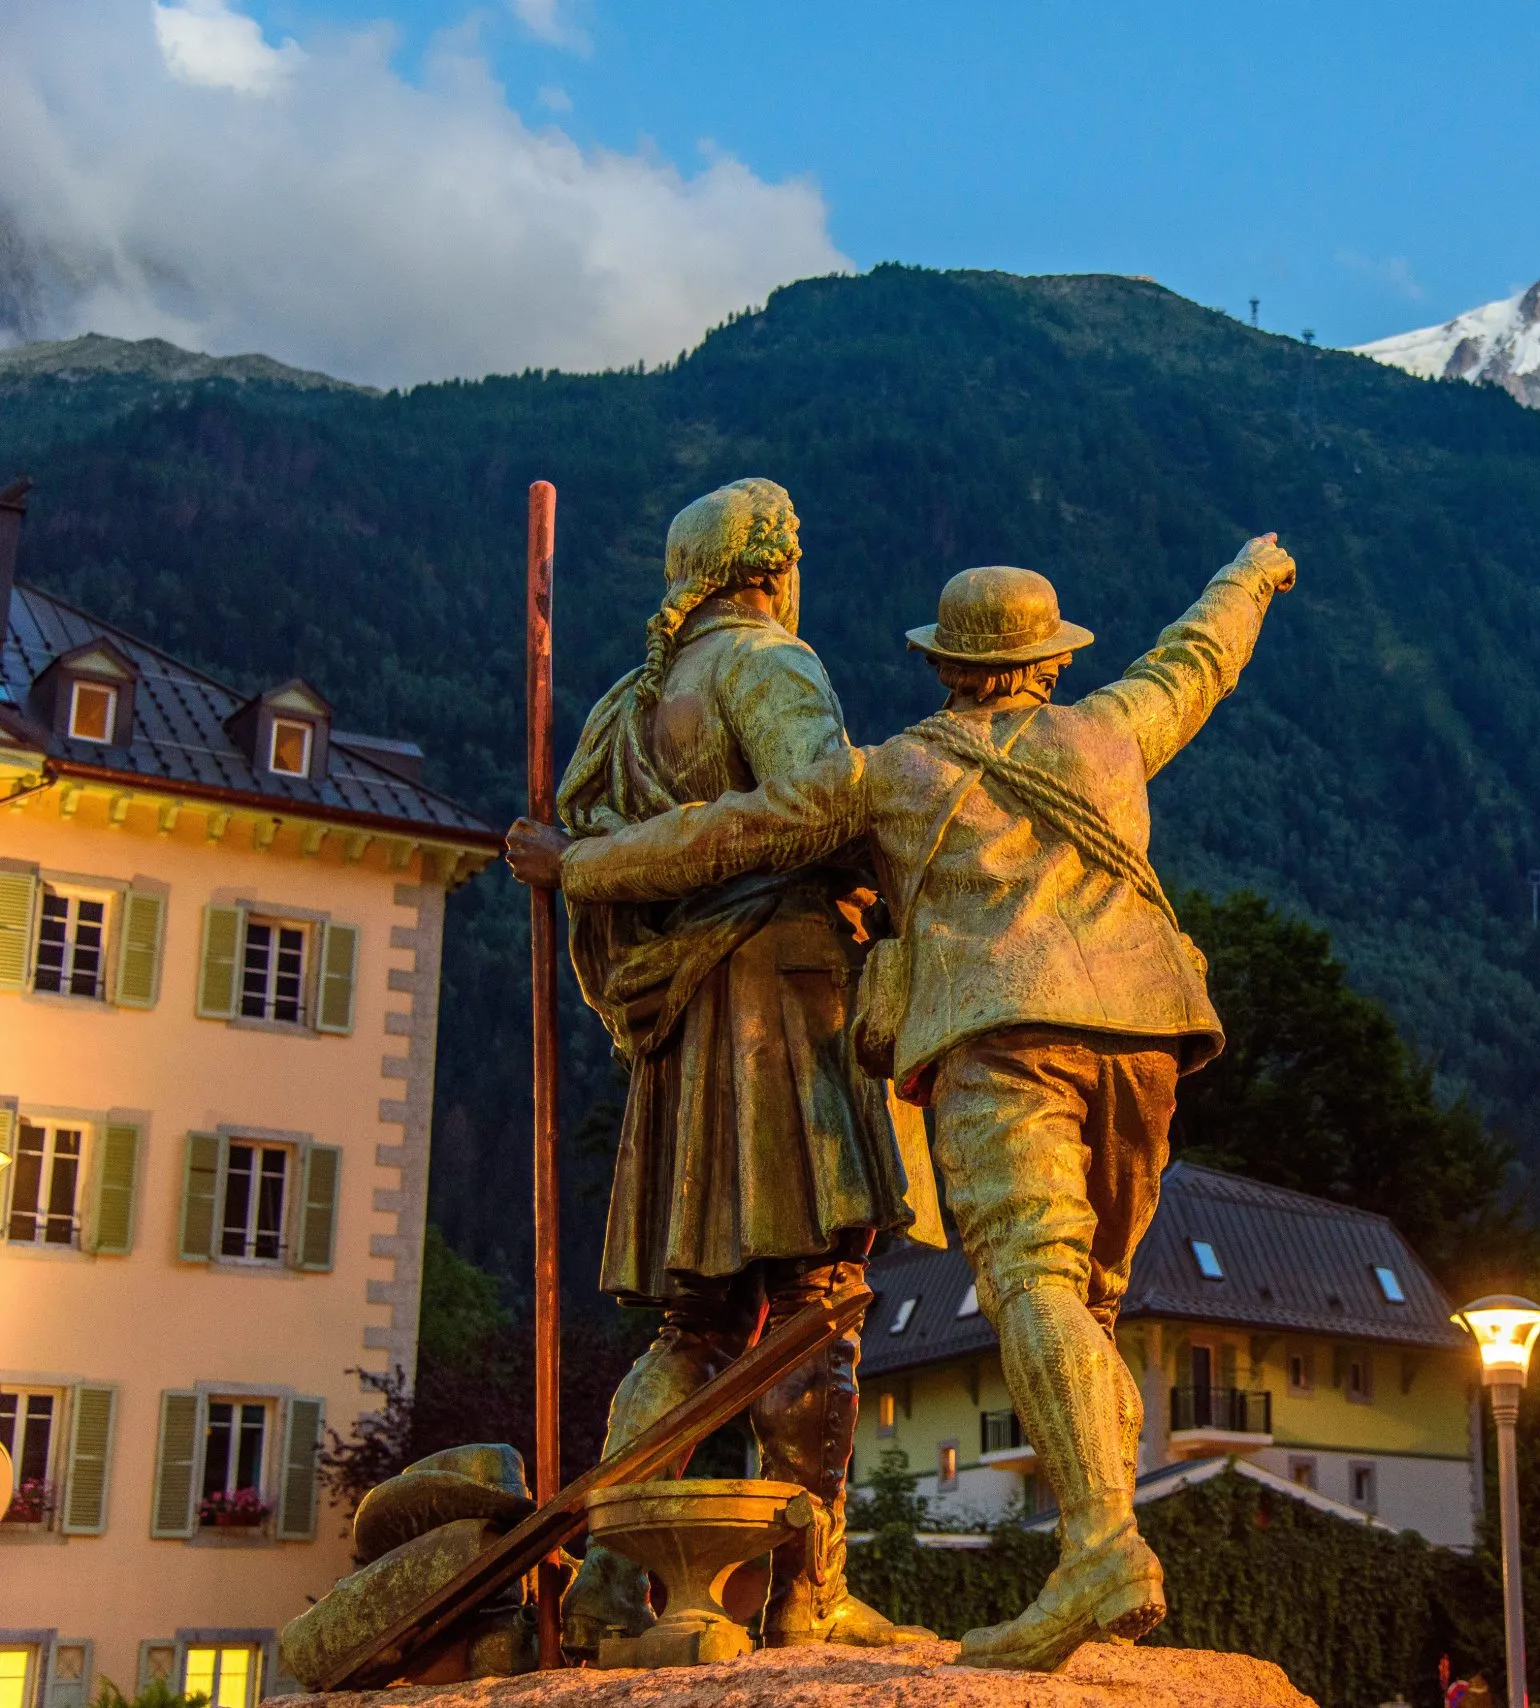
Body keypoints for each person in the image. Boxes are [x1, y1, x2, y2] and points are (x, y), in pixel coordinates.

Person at [508, 532, 1296, 1670]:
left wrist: (578, 863)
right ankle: (1091, 1537)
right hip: (1150, 1036)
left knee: (1032, 1281)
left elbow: (734, 830)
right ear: (1053, 657)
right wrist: (1250, 571)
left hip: (1001, 1039)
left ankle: (1102, 1549)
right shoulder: (1114, 729)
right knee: (1092, 1298)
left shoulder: (890, 773)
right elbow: (1198, 655)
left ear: (944, 665)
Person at [512, 478, 936, 1652]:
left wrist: (587, 867)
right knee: (814, 1302)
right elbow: (813, 805)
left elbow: (586, 863)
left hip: (686, 1023)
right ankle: (811, 1590)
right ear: (771, 567)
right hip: (785, 1004)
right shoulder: (768, 663)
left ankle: (608, 1579)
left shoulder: (619, 713)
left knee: (693, 1324)